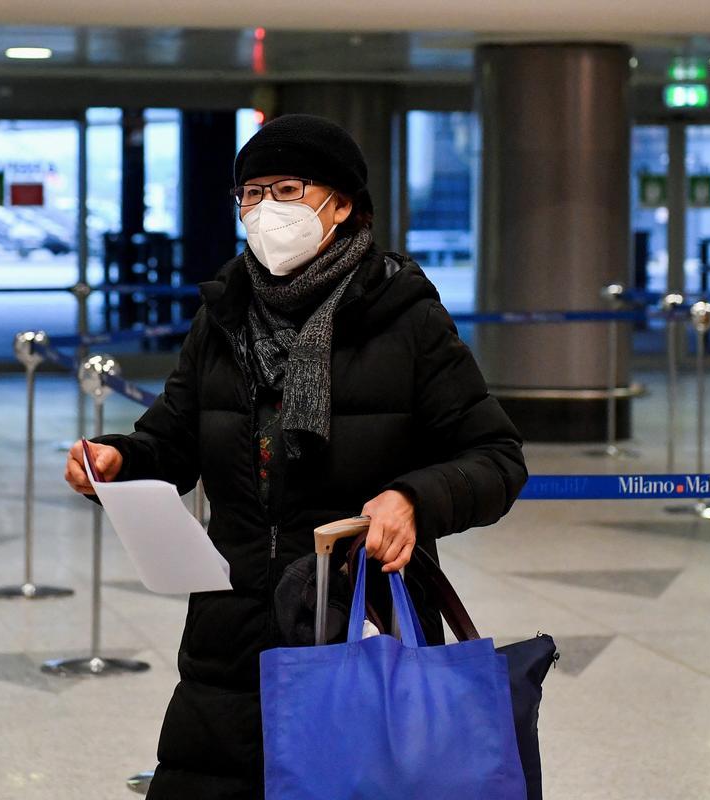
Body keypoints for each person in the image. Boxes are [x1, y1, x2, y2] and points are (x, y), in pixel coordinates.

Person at [64, 114, 527, 799]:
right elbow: (173, 439)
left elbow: (496, 457)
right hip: (229, 631)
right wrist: (117, 460)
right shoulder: (223, 317)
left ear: (341, 205)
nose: (264, 211)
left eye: (286, 189)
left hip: (357, 629)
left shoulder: (407, 319)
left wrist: (413, 499)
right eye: (250, 195)